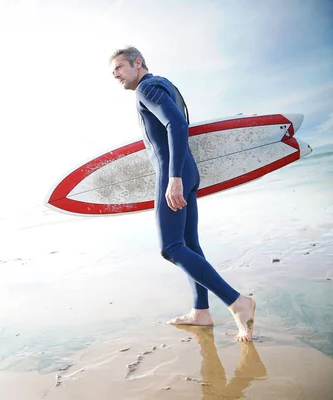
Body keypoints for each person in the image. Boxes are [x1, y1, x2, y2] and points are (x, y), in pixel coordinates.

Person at [109, 46, 256, 342]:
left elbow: (176, 124)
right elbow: (179, 121)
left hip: (173, 172)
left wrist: (172, 177)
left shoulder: (146, 88)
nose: (116, 76)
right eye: (113, 73)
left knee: (171, 247)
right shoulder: (166, 85)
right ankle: (201, 312)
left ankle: (237, 302)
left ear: (138, 63)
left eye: (120, 69)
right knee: (189, 243)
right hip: (187, 171)